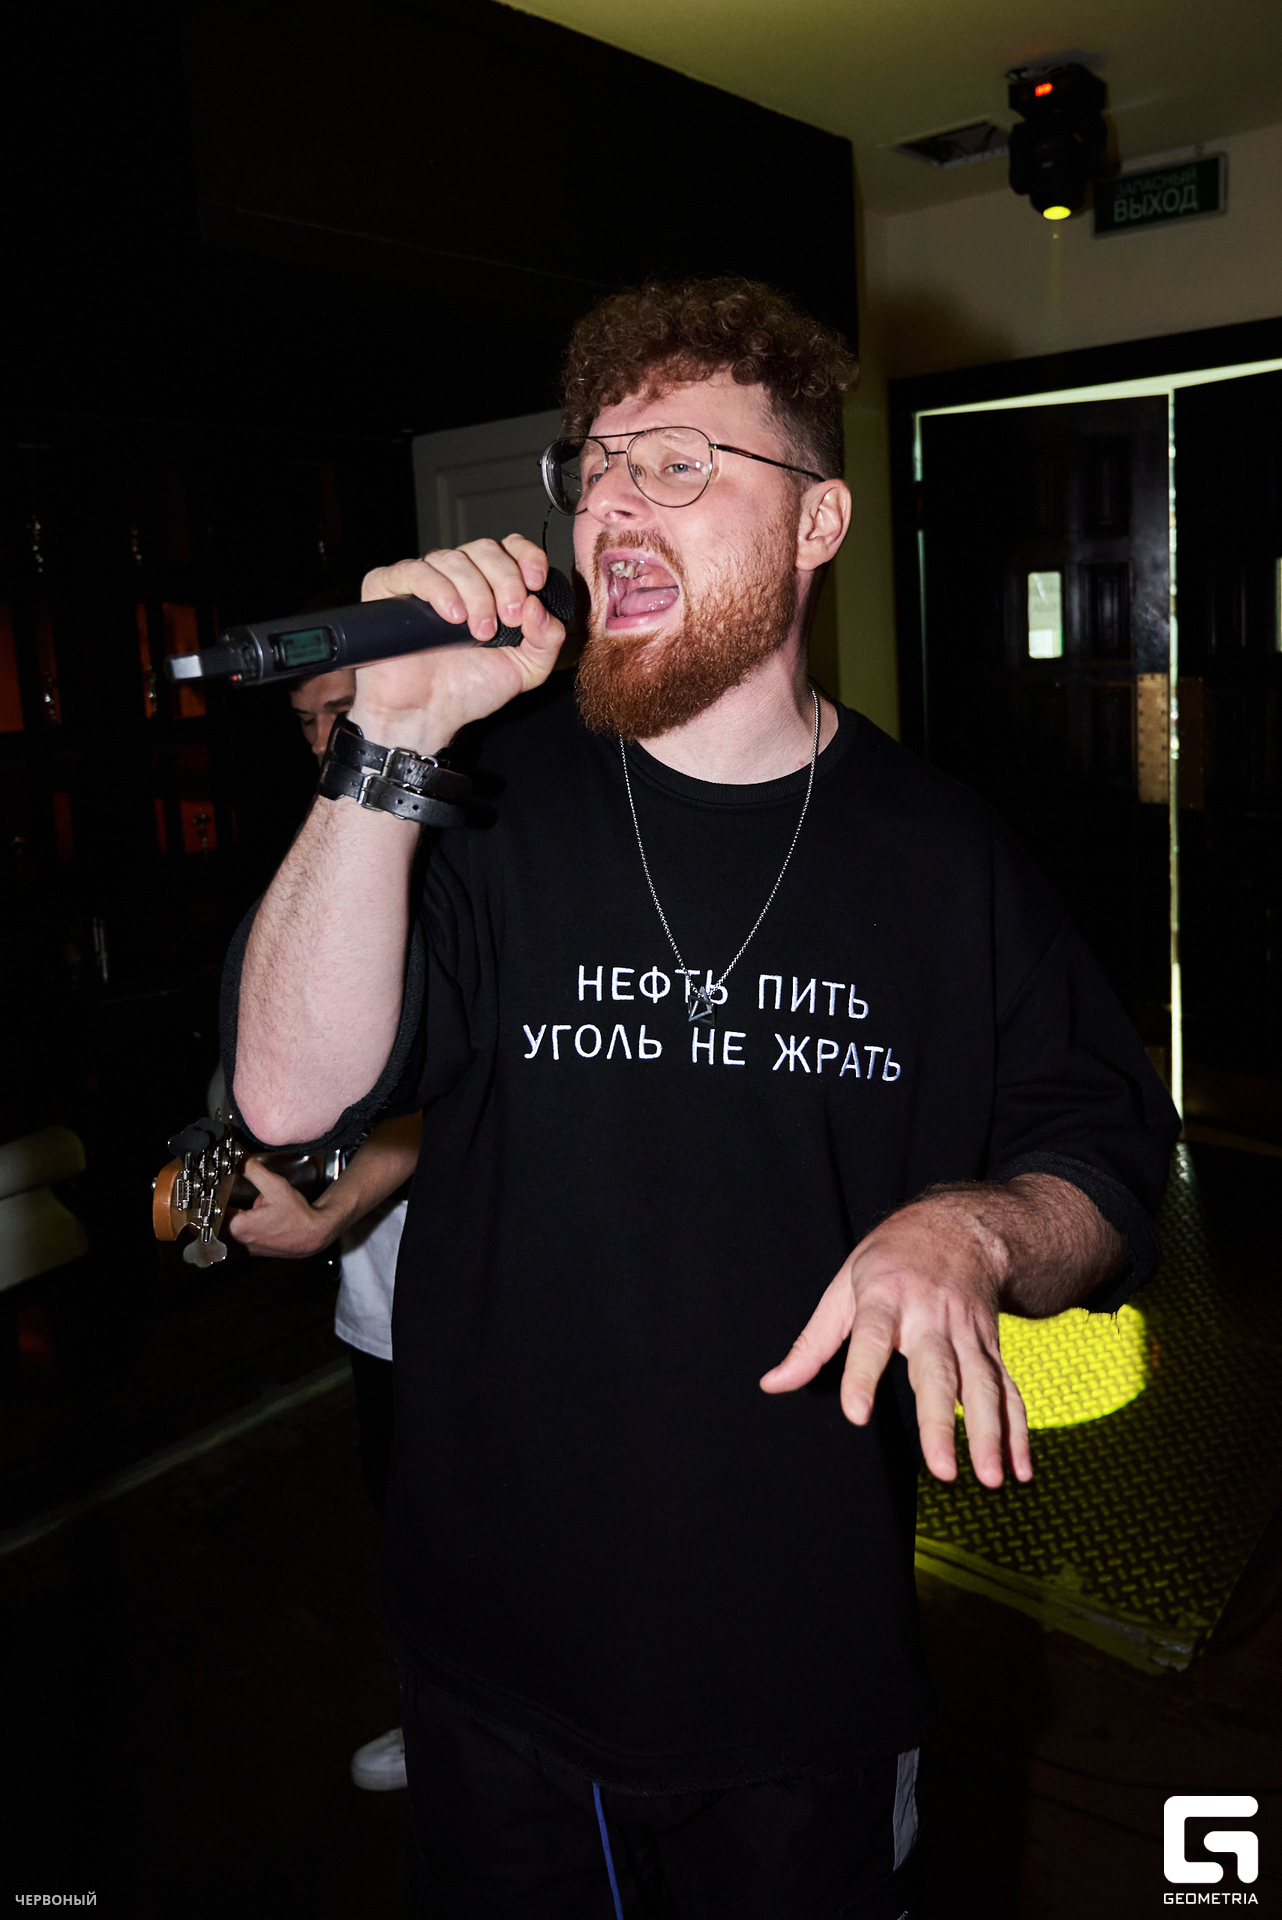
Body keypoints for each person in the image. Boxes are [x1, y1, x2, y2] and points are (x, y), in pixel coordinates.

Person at [224, 278, 1179, 1916]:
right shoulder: (479, 800)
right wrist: (384, 745)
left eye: (674, 464)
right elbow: (287, 1096)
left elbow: (1103, 1161)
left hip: (800, 1668)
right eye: (592, 468)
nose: (611, 507)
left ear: (817, 523)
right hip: (496, 1661)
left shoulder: (945, 857)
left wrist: (973, 1232)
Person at [229, 663, 419, 1793]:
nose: (319, 742)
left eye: (339, 714)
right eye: (305, 723)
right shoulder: (325, 853)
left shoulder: (449, 844)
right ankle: (437, 1723)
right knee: (408, 1530)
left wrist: (333, 1211)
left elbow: (451, 1095)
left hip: (483, 1291)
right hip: (381, 1297)